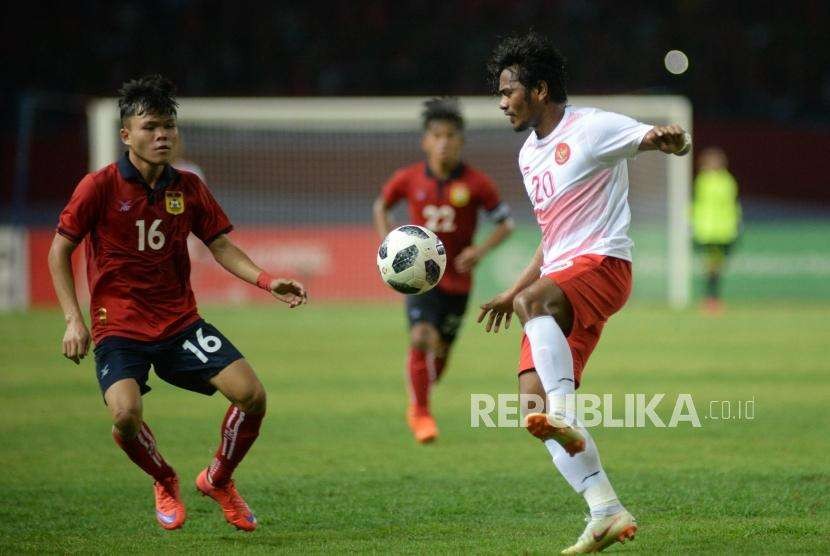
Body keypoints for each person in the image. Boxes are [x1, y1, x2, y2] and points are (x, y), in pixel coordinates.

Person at [47, 75, 307, 532]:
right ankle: (164, 478)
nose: (162, 135)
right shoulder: (99, 186)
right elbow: (59, 251)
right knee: (126, 415)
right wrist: (73, 320)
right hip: (119, 326)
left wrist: (268, 282)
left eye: (168, 126)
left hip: (179, 323)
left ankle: (218, 480)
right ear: (126, 134)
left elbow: (222, 247)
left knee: (253, 396)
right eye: (150, 127)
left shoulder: (186, 187)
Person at [478, 33, 691, 553]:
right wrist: (513, 290)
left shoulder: (592, 127)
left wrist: (671, 139)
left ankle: (568, 417)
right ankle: (605, 510)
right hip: (561, 279)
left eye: (510, 91)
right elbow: (552, 238)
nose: (502, 102)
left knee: (541, 331)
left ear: (541, 89)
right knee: (531, 409)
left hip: (603, 265)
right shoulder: (529, 154)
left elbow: (664, 140)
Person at [373, 98, 514, 443]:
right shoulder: (407, 178)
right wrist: (389, 245)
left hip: (459, 282)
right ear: (425, 141)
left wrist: (479, 250)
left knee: (440, 354)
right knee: (421, 336)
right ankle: (421, 412)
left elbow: (506, 224)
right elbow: (381, 206)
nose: (444, 142)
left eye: (451, 135)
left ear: (461, 141)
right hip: (420, 277)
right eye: (437, 135)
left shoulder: (478, 184)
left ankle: (420, 396)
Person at [692, 147, 741, 313]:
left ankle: (712, 299)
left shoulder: (727, 181)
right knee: (711, 267)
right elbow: (699, 206)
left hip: (723, 232)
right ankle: (711, 300)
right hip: (708, 232)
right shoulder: (703, 180)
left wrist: (735, 226)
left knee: (715, 267)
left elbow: (731, 206)